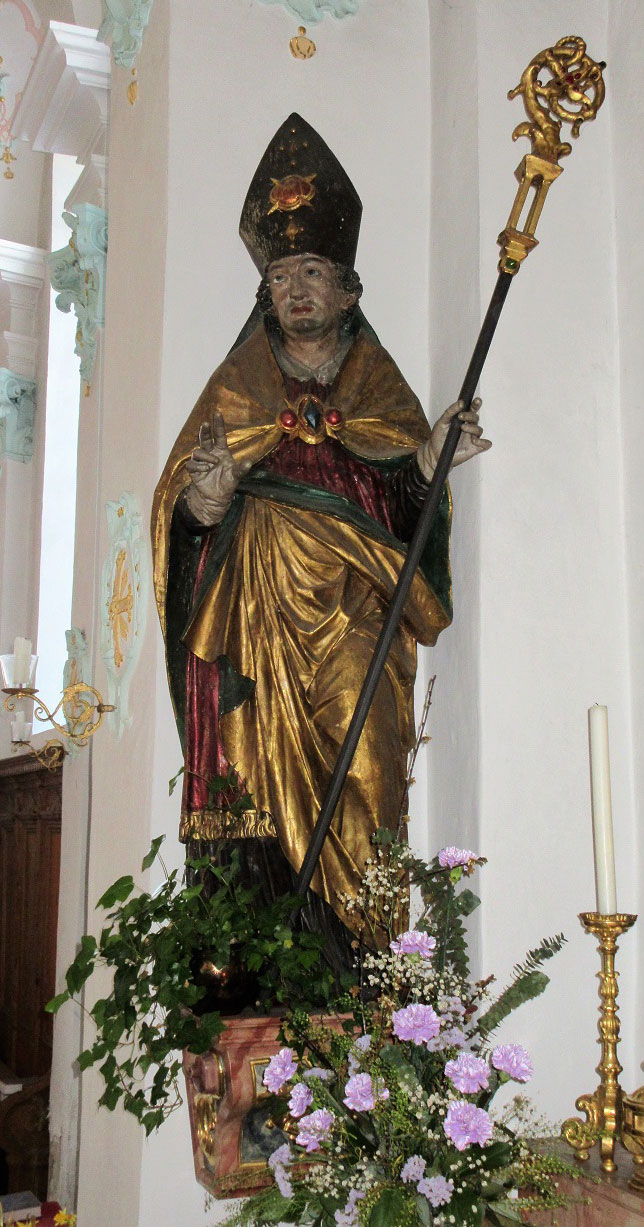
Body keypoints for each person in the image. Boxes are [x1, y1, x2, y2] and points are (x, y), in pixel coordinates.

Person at [152, 114, 490, 967]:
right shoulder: (237, 387)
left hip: (355, 625)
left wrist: (424, 460)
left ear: (347, 291)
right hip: (259, 634)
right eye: (282, 274)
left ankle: (369, 961)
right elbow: (182, 522)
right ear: (264, 293)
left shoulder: (380, 387)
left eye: (314, 271)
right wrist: (206, 501)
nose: (297, 287)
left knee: (371, 774)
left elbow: (406, 505)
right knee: (256, 783)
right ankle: (274, 962)